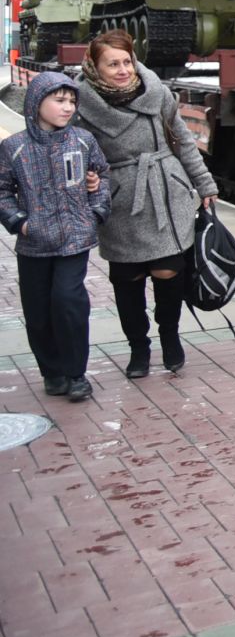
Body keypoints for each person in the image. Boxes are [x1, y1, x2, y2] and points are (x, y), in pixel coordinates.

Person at [71, 30, 219, 379]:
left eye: (127, 62)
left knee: (170, 272)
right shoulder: (81, 105)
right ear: (94, 66)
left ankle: (170, 336)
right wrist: (89, 181)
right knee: (128, 279)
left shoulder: (158, 93)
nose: (123, 70)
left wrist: (204, 184)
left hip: (167, 192)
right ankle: (138, 347)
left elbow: (182, 141)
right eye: (113, 64)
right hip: (120, 196)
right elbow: (74, 152)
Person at [2, 71, 111, 403]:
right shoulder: (13, 147)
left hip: (74, 238)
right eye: (59, 100)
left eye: (71, 102)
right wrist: (19, 222)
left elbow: (101, 175)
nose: (67, 108)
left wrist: (95, 211)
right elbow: (2, 191)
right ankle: (52, 371)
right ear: (37, 103)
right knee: (37, 311)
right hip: (33, 243)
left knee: (68, 301)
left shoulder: (82, 140)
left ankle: (76, 373)